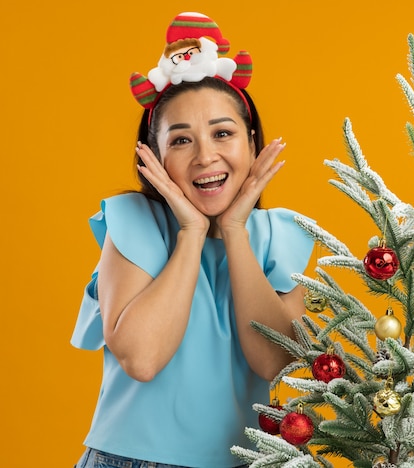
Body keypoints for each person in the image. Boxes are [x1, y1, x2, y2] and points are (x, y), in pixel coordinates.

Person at [71, 12, 314, 468]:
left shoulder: (281, 234)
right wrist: (192, 233)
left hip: (246, 460)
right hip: (130, 459)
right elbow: (142, 360)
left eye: (223, 133)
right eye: (181, 141)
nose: (206, 156)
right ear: (155, 156)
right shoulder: (134, 222)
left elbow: (276, 362)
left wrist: (236, 232)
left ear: (252, 141)